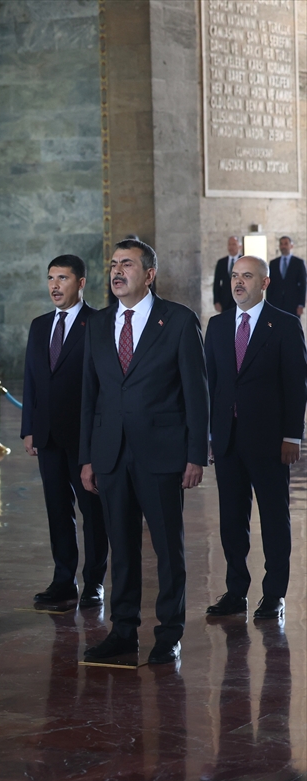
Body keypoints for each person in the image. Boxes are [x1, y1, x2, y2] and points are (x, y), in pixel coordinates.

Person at [80, 238, 209, 665]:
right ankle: (122, 631)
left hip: (163, 453)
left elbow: (196, 393)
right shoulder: (97, 324)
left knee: (168, 549)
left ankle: (169, 634)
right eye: (114, 264)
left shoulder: (177, 321)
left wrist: (196, 454)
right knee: (121, 545)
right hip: (111, 454)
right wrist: (87, 457)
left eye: (128, 265)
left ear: (149, 274)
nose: (117, 272)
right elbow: (90, 396)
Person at [204, 255, 306, 621]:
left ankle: (274, 595)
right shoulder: (216, 326)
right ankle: (235, 593)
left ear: (264, 283)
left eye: (247, 276)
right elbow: (211, 386)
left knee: (274, 518)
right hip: (228, 441)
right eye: (234, 276)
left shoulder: (284, 324)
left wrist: (293, 435)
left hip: (270, 441)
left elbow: (297, 385)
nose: (238, 283)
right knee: (232, 521)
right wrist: (210, 436)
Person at [21, 254, 108, 607]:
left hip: (85, 438)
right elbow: (31, 379)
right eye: (50, 278)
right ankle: (63, 580)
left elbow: (103, 385)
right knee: (58, 510)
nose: (55, 286)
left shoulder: (99, 323)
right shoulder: (39, 325)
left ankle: (94, 583)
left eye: (63, 278)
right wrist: (29, 427)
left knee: (93, 512)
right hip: (48, 436)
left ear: (81, 283)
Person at [268, 236, 306, 317]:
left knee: (292, 327)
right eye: (281, 244)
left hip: (293, 304)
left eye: (286, 244)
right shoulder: (273, 263)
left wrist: (301, 304)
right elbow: (270, 285)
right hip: (276, 303)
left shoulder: (298, 263)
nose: (283, 246)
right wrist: (268, 304)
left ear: (291, 246)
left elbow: (303, 284)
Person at [212, 236, 242, 313]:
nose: (231, 247)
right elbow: (216, 283)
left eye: (234, 244)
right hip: (224, 301)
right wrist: (216, 301)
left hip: (240, 300)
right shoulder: (221, 262)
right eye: (229, 244)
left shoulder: (244, 261)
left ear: (239, 246)